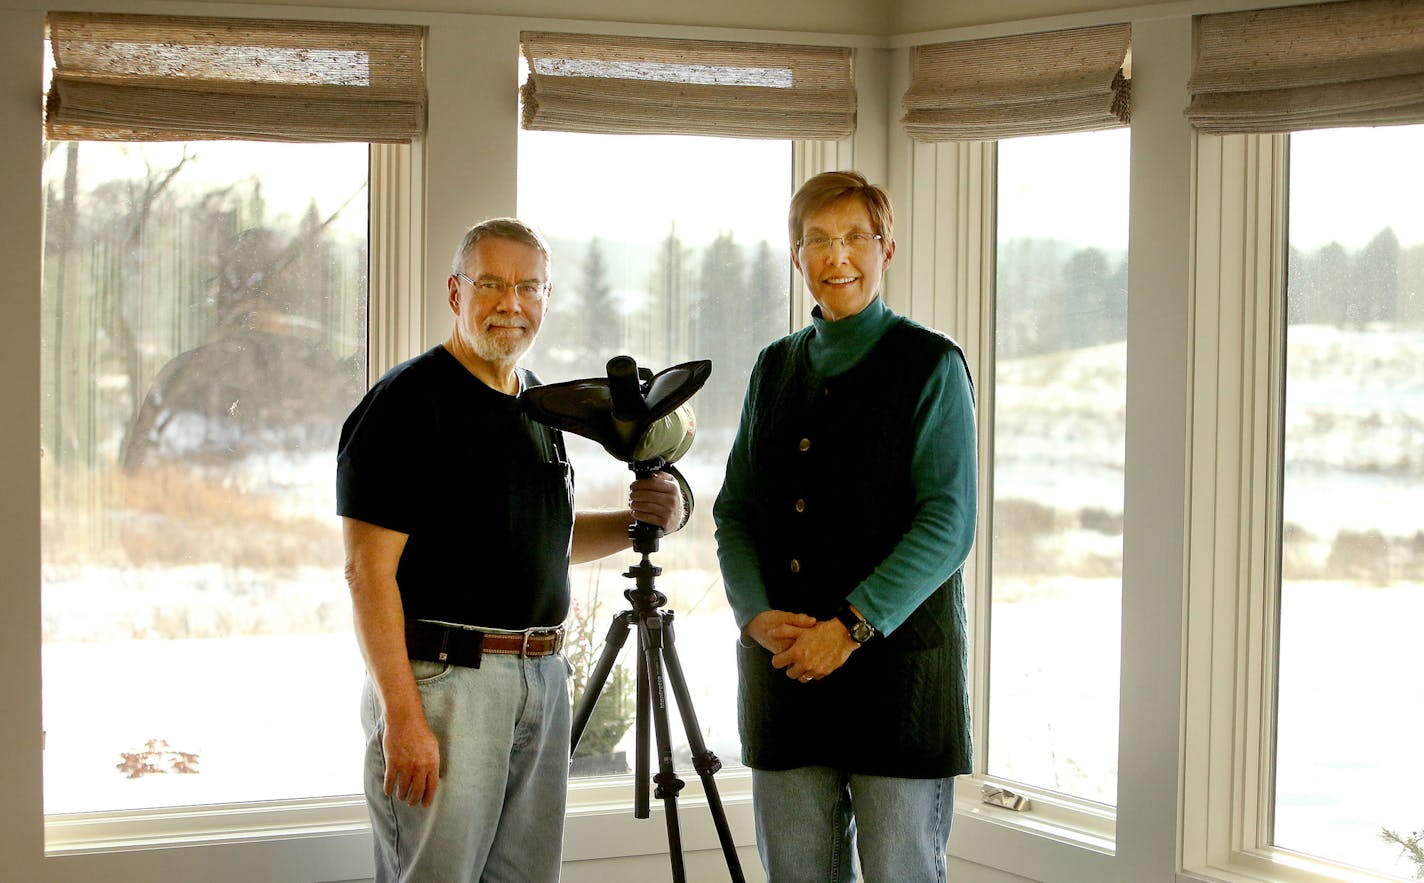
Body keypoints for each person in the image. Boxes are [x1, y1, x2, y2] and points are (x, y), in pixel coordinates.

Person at [336, 217, 685, 882]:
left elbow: (546, 539)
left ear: (547, 298)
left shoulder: (536, 406)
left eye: (528, 287)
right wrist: (402, 717)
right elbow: (366, 572)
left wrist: (641, 523)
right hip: (446, 686)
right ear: (454, 292)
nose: (510, 303)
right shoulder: (407, 404)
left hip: (542, 680)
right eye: (490, 284)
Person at [713, 171, 977, 882]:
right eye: (819, 241)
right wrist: (754, 615)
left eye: (856, 237)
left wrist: (851, 625)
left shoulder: (931, 363)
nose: (839, 257)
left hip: (898, 680)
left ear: (886, 248)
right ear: (796, 256)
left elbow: (949, 523)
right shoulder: (773, 367)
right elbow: (733, 510)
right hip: (785, 671)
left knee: (902, 872)